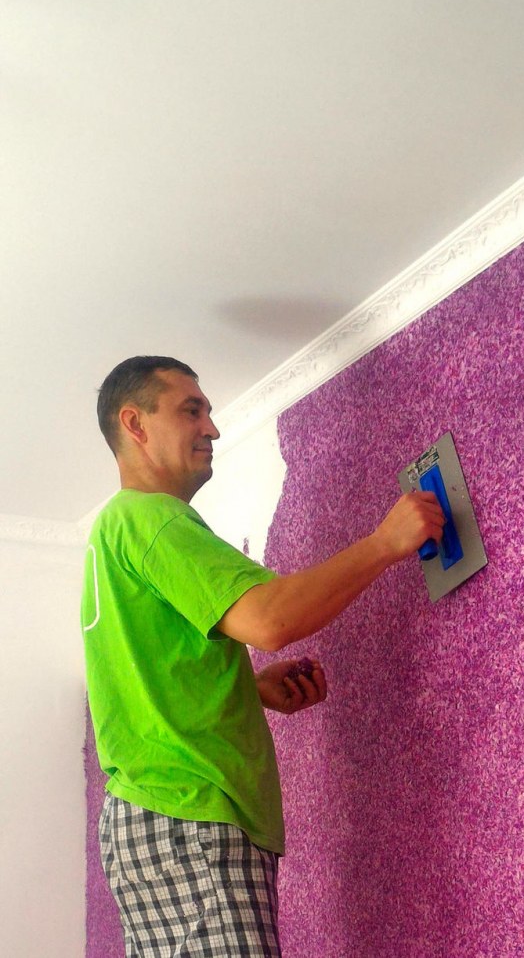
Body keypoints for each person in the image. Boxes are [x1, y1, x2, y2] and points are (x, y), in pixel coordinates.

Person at [81, 355, 444, 957]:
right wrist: (385, 543)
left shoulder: (111, 537)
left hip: (146, 819)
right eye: (191, 410)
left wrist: (246, 688)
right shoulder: (152, 518)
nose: (212, 428)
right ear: (135, 423)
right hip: (190, 811)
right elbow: (270, 621)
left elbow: (142, 682)